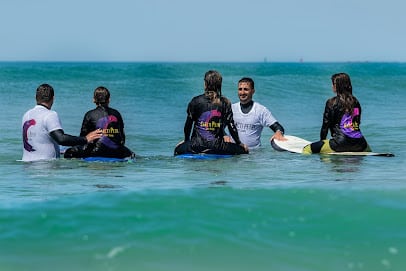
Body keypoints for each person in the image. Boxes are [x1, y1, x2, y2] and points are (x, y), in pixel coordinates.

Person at [174, 70, 248, 155]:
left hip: (196, 146)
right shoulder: (225, 102)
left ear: (205, 84)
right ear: (219, 85)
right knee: (244, 151)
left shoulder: (195, 101)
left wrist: (186, 140)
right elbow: (231, 126)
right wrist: (239, 143)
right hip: (218, 147)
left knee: (177, 149)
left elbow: (188, 125)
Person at [22, 83, 102, 162]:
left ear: (36, 98)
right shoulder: (50, 115)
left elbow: (40, 139)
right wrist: (85, 139)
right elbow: (61, 139)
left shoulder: (27, 115)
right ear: (53, 98)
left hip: (27, 166)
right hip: (44, 167)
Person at [303, 73, 371, 154]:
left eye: (333, 84)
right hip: (361, 144)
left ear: (338, 85)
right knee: (368, 150)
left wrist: (322, 143)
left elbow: (325, 125)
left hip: (339, 144)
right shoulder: (355, 102)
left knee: (306, 149)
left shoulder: (331, 102)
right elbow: (356, 122)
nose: (332, 86)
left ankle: (325, 165)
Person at [64, 86, 134, 159]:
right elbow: (122, 138)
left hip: (94, 152)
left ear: (94, 100)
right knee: (132, 154)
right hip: (116, 152)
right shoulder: (117, 113)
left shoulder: (90, 114)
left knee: (69, 152)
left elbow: (83, 138)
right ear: (109, 100)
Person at [229, 77, 285, 149]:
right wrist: (224, 135)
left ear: (253, 91)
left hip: (253, 155)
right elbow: (219, 126)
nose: (242, 92)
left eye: (246, 89)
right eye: (240, 89)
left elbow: (278, 127)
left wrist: (278, 133)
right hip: (234, 153)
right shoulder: (231, 108)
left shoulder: (261, 110)